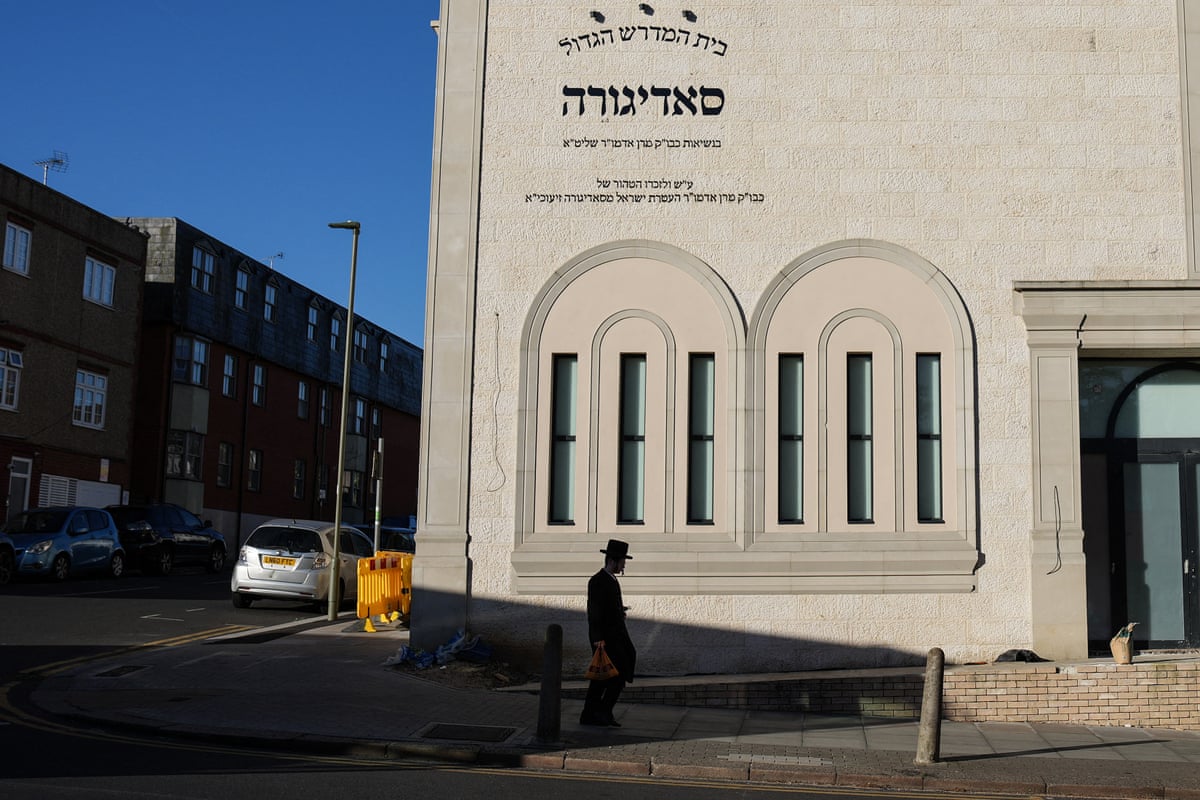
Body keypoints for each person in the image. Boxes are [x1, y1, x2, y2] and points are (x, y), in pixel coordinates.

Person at [581, 539, 637, 727]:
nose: (623, 566)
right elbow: (594, 611)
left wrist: (619, 611)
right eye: (622, 562)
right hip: (605, 640)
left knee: (610, 677)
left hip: (615, 637)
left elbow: (607, 608)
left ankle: (598, 713)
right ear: (613, 561)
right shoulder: (597, 581)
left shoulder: (611, 581)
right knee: (607, 677)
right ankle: (596, 713)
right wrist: (598, 639)